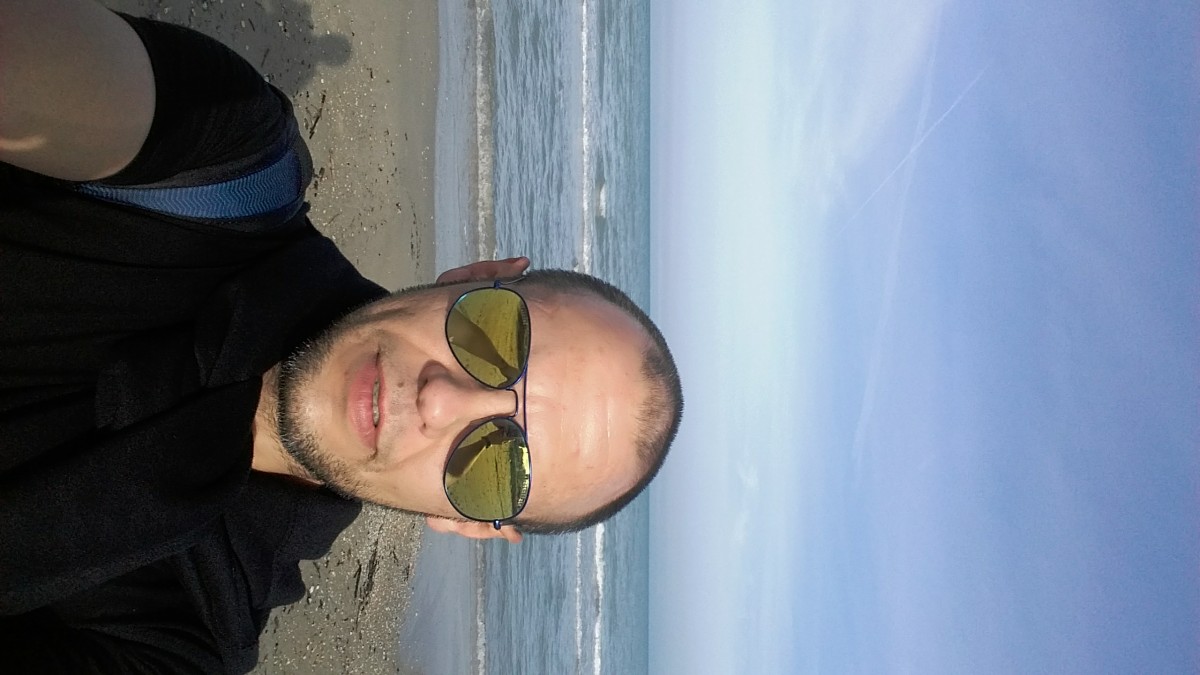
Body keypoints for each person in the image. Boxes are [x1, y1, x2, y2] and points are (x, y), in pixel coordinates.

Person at [0, 1, 684, 672]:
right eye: (496, 336)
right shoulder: (220, 175)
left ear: (467, 523)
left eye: (499, 468)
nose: (442, 400)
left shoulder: (176, 639)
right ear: (474, 274)